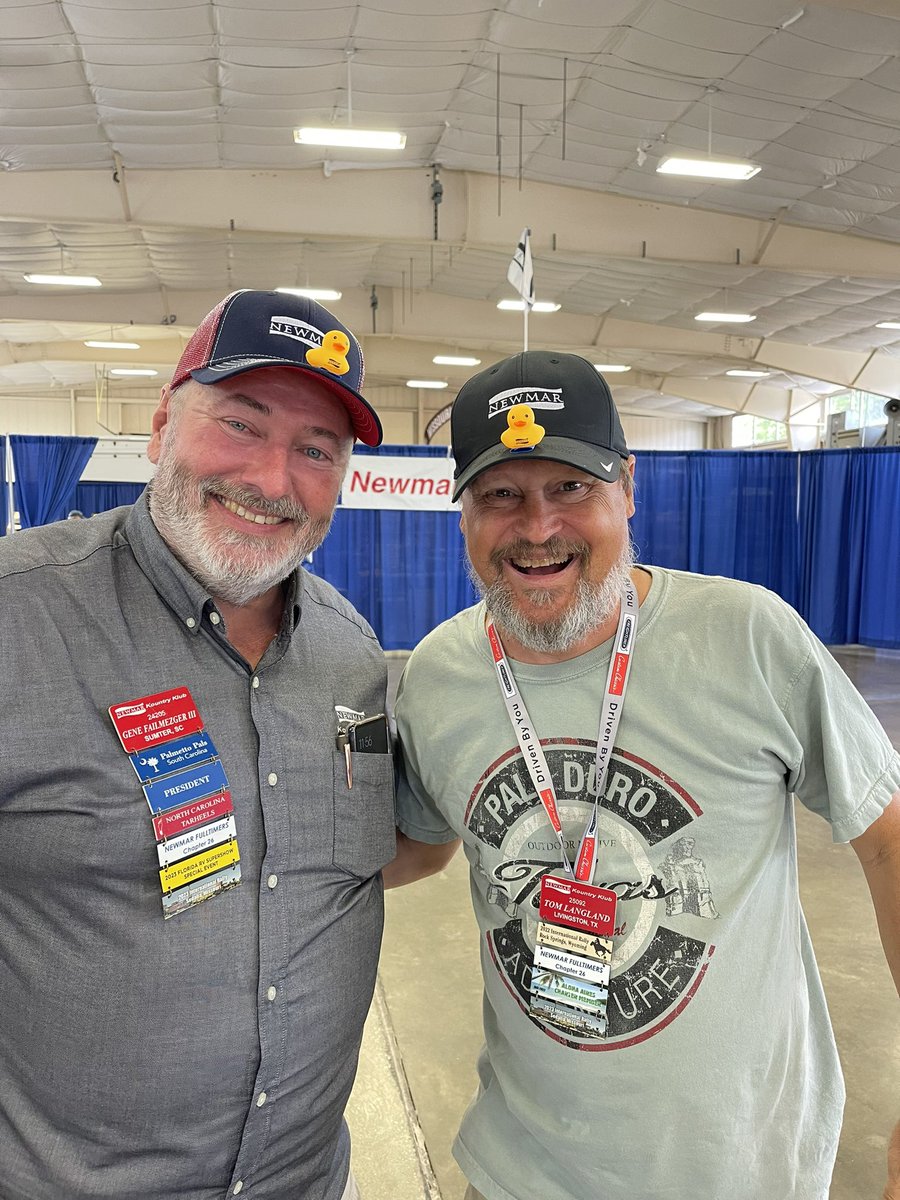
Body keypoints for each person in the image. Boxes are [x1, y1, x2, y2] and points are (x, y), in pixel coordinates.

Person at [389, 350, 900, 1200]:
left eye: (571, 487)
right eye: (501, 494)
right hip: (519, 1172)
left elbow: (889, 841)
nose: (538, 527)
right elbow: (420, 845)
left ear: (627, 487)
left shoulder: (747, 637)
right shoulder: (439, 675)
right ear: (464, 511)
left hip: (743, 1172)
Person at [0, 290, 397, 1200]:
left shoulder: (351, 654)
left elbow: (361, 859)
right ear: (161, 427)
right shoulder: (20, 617)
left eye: (316, 450)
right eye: (240, 425)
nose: (272, 479)